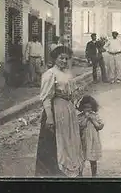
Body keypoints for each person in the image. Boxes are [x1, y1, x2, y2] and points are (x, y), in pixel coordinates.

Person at [35, 46, 84, 177]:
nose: (63, 61)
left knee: (69, 138)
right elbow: (46, 98)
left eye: (66, 58)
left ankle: (72, 167)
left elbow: (72, 92)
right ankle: (55, 171)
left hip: (68, 110)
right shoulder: (50, 74)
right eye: (61, 58)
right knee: (57, 141)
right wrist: (50, 117)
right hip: (56, 110)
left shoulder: (67, 73)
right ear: (55, 58)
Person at [77, 95, 104, 177]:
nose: (87, 109)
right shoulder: (80, 117)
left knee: (93, 159)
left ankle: (94, 175)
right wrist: (86, 118)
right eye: (85, 107)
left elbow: (100, 127)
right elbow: (80, 127)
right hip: (83, 141)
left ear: (93, 107)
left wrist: (92, 120)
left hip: (93, 141)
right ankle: (80, 174)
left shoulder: (95, 116)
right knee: (81, 159)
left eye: (89, 107)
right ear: (82, 107)